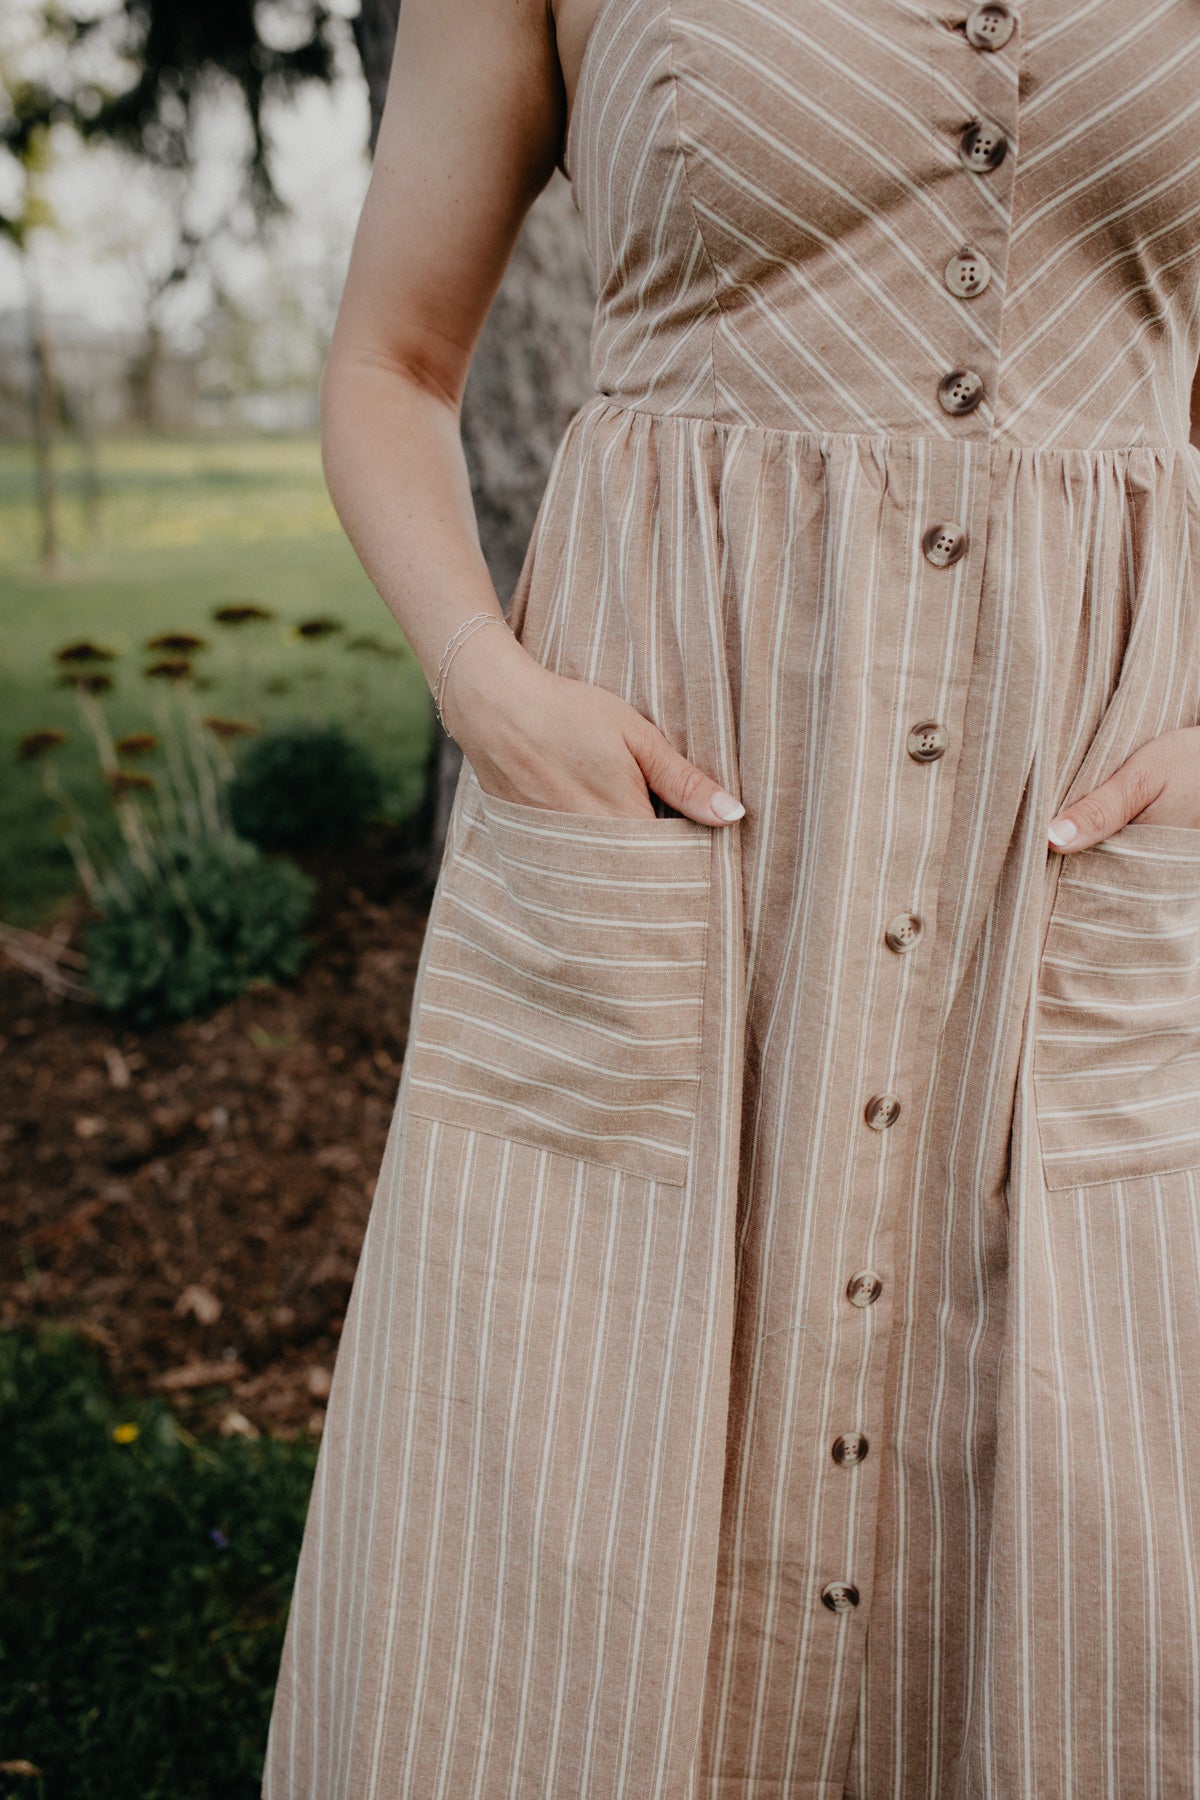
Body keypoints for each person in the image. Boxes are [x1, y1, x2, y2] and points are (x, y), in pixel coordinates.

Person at [262, 1, 1200, 1794]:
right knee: (570, 1427)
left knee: (1099, 1469)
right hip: (680, 793)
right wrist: (489, 688)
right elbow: (389, 359)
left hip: (1082, 830)